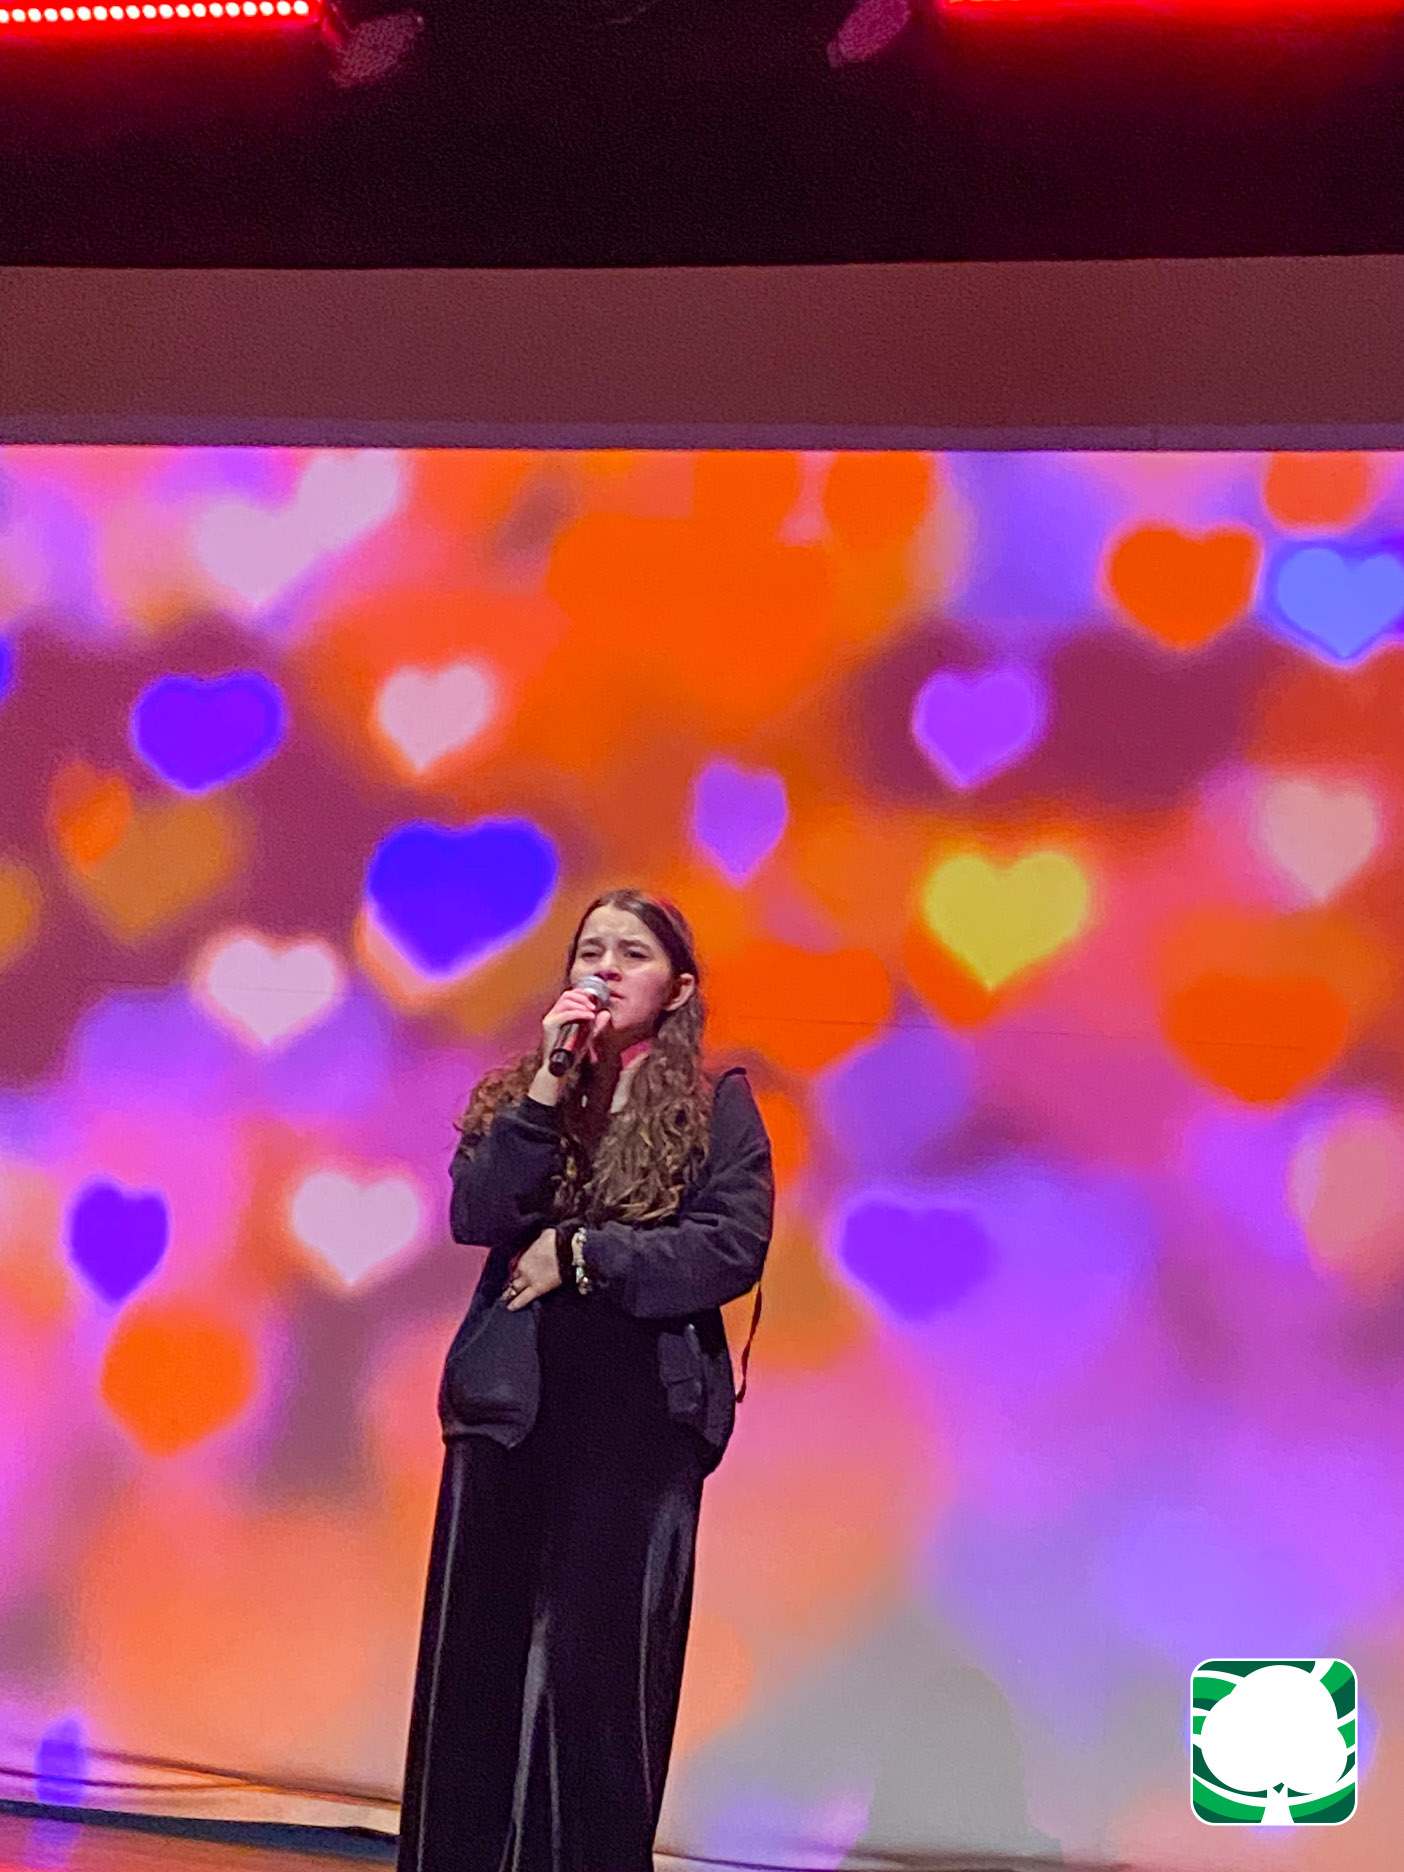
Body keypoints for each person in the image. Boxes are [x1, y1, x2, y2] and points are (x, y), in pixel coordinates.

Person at [397, 888, 774, 1872]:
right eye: (590, 950)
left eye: (631, 953)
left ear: (678, 988)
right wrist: (544, 1091)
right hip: (510, 1410)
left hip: (638, 1421)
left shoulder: (715, 1106)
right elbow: (478, 1214)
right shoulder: (528, 1093)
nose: (604, 968)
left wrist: (581, 1255)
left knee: (595, 1684)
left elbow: (730, 1247)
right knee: (476, 1673)